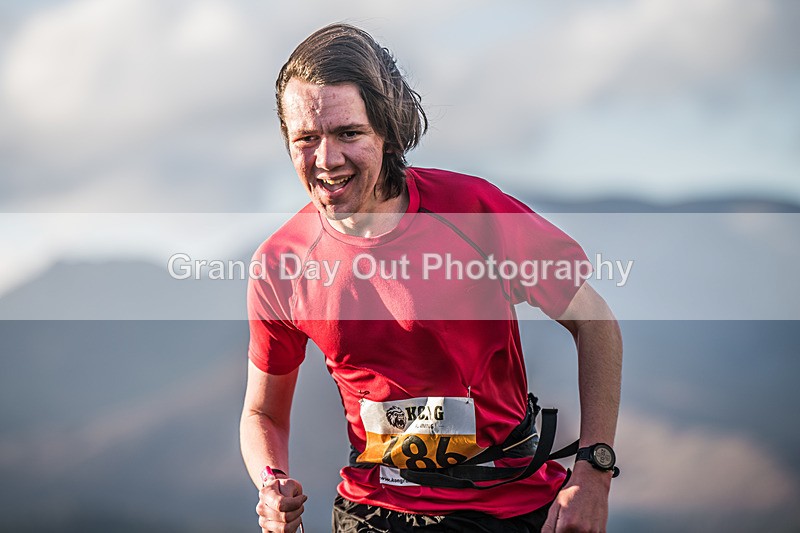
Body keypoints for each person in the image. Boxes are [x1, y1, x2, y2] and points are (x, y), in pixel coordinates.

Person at [240, 23, 622, 533]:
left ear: (388, 131)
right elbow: (262, 413)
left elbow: (595, 323)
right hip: (375, 512)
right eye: (306, 139)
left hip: (509, 508)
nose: (326, 160)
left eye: (348, 133)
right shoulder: (280, 264)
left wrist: (593, 473)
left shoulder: (472, 212)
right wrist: (270, 483)